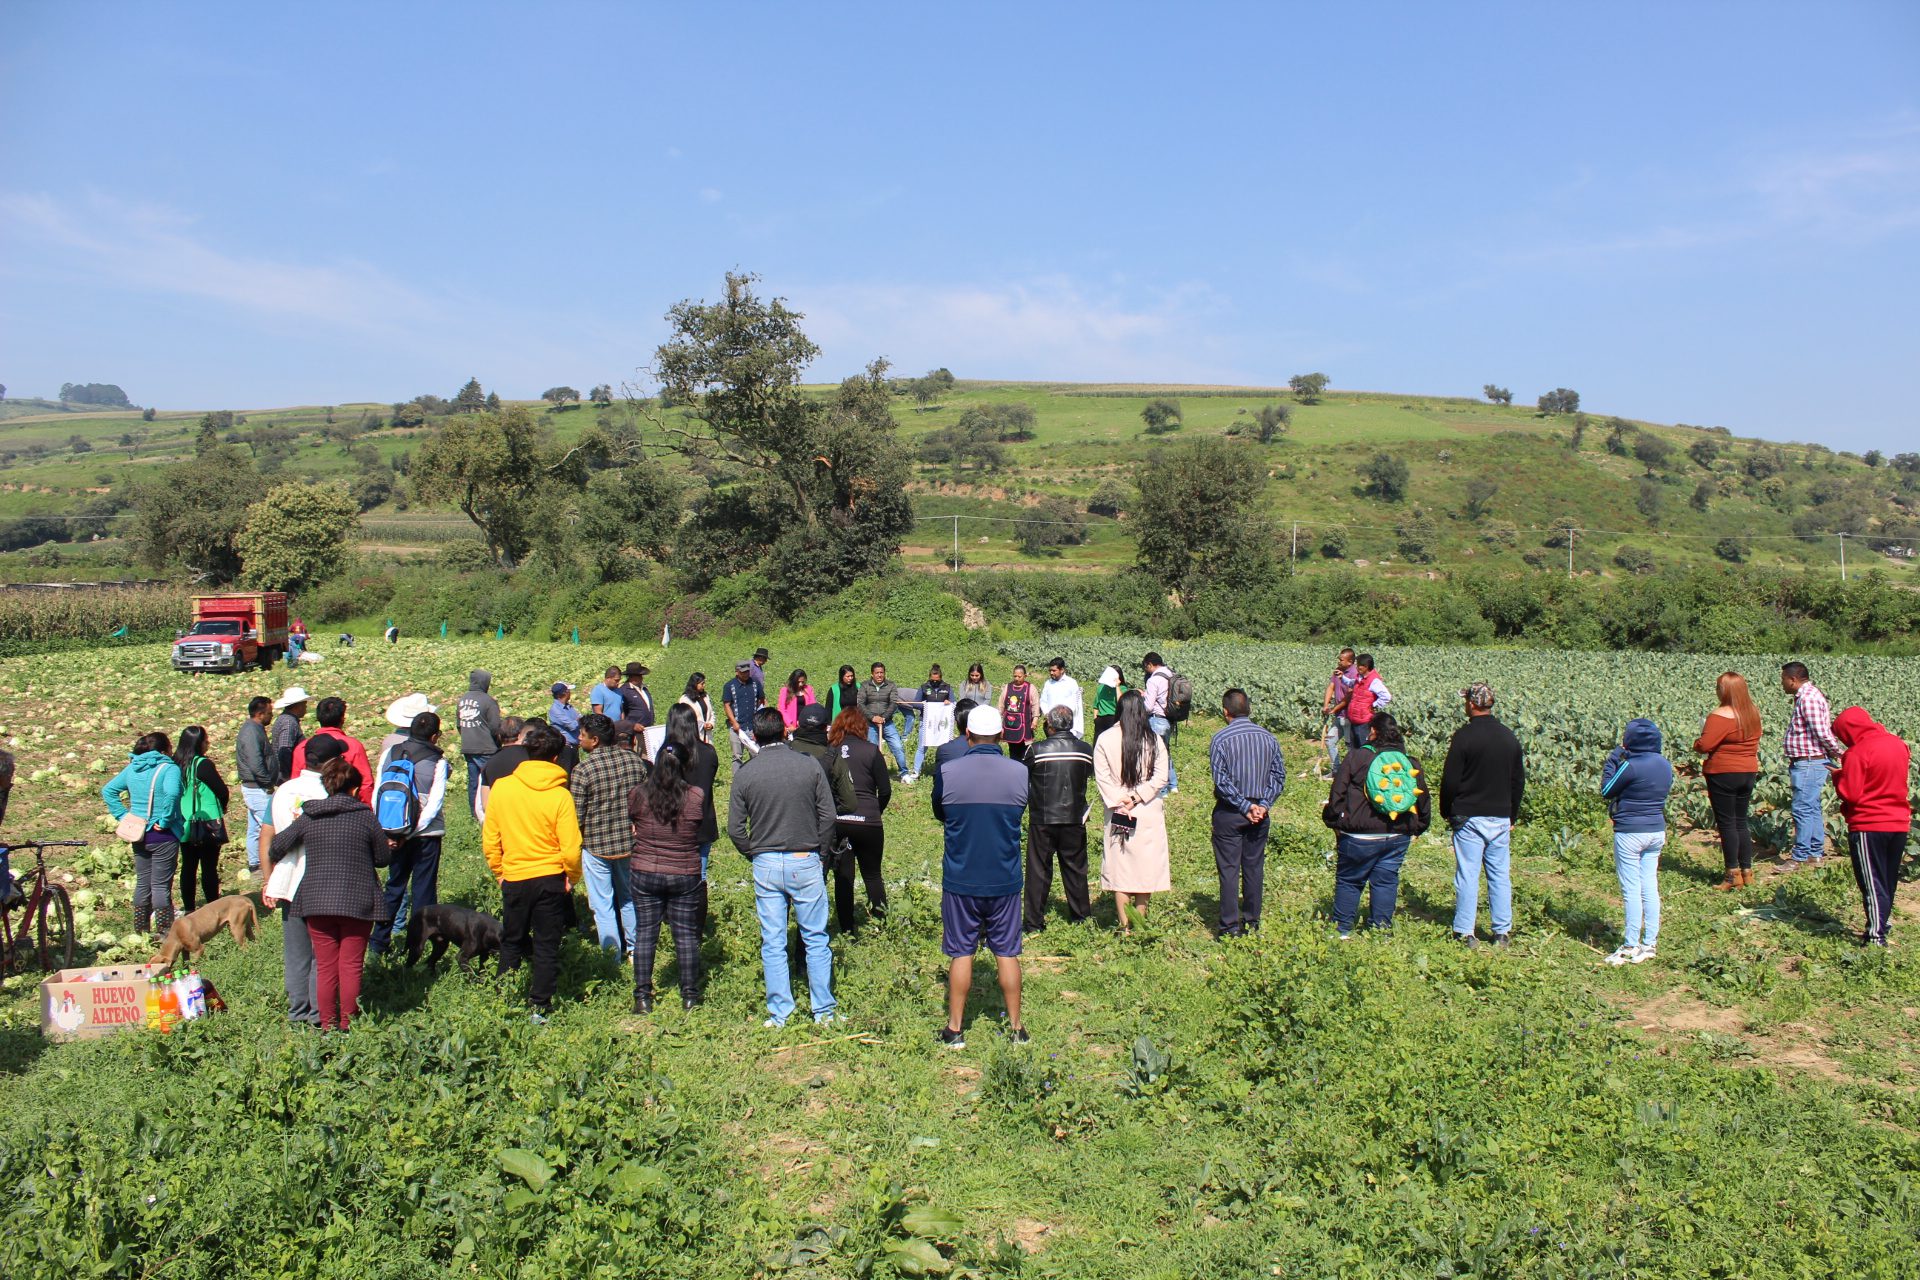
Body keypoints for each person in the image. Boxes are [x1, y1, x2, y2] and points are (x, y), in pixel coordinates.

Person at [728, 707, 838, 1027]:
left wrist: (754, 853)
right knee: (815, 937)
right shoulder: (809, 766)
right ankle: (824, 1011)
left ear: (756, 737)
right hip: (805, 857)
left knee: (773, 940)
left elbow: (735, 829)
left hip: (766, 861)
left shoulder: (746, 773)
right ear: (784, 733)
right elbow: (828, 817)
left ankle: (780, 1013)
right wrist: (819, 852)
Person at [932, 704, 1033, 1047]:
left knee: (961, 951)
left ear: (968, 734)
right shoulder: (1020, 772)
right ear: (1002, 735)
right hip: (1004, 877)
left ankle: (955, 1029)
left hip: (961, 877)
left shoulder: (948, 771)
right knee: (1007, 952)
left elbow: (940, 812)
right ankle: (1017, 1028)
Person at [270, 756, 389, 1031]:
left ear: (327, 787)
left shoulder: (311, 816)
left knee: (325, 966)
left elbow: (276, 847)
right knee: (350, 965)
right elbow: (383, 858)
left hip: (315, 900)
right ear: (355, 789)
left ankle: (327, 1024)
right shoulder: (364, 816)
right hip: (358, 900)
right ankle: (348, 1023)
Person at [482, 724, 583, 1023]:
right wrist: (571, 878)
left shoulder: (503, 787)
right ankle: (540, 1006)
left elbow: (491, 838)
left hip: (514, 875)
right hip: (551, 878)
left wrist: (499, 872)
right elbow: (571, 847)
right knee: (546, 944)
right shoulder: (559, 795)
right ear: (555, 759)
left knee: (512, 939)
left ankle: (503, 998)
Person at [258, 731, 343, 1026]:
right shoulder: (329, 792)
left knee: (296, 953)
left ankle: (298, 1012)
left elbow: (266, 834)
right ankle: (319, 1014)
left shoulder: (283, 790)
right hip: (324, 878)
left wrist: (269, 880)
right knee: (323, 952)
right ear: (331, 762)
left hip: (287, 878)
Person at [1322, 712, 1430, 937]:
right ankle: (1380, 931)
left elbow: (1337, 793)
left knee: (1350, 880)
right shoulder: (1409, 762)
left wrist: (1333, 820)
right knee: (1385, 881)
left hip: (1359, 834)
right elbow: (1422, 799)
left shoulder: (1357, 757)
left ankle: (1341, 930)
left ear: (1373, 731)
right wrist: (1418, 826)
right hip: (1397, 836)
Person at [1440, 682, 1526, 948]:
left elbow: (1451, 780)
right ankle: (1501, 931)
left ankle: (1465, 931)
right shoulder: (1508, 736)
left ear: (1473, 704)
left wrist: (1447, 810)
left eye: (1466, 700)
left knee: (1468, 873)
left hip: (1469, 815)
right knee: (1500, 874)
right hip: (1500, 816)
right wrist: (1511, 814)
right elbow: (1517, 780)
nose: (1464, 704)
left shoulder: (1464, 736)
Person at [627, 739, 709, 1012]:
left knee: (645, 934)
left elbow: (634, 823)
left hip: (646, 869)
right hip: (683, 870)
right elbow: (696, 826)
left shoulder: (638, 794)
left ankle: (642, 997)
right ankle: (689, 995)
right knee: (685, 935)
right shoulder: (695, 795)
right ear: (685, 766)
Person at [367, 711, 449, 957]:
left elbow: (377, 796)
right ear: (435, 736)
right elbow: (434, 804)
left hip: (393, 833)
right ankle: (417, 948)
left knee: (394, 886)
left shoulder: (389, 754)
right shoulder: (438, 761)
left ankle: (378, 945)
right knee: (424, 890)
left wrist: (389, 832)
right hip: (426, 835)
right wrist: (414, 830)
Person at [1207, 689, 1286, 938]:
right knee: (1254, 866)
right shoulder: (1269, 738)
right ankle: (1252, 921)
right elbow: (1278, 776)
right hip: (1260, 814)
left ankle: (1230, 926)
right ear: (1249, 709)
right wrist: (1262, 805)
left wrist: (1244, 806)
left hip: (1231, 812)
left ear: (1225, 711)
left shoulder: (1220, 739)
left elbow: (1222, 781)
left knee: (1229, 869)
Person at [1832, 707, 1912, 947]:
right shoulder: (1898, 744)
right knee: (1888, 879)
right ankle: (1883, 922)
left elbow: (1852, 794)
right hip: (1898, 821)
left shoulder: (1857, 752)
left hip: (1869, 823)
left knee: (1871, 880)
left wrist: (1838, 776)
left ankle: (1876, 936)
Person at [569, 712, 648, 955]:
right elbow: (645, 801)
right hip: (630, 842)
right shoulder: (634, 761)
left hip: (597, 846)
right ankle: (635, 950)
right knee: (629, 898)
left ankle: (611, 956)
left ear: (594, 741)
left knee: (602, 905)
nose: (579, 739)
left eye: (582, 736)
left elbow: (577, 815)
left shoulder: (583, 770)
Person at [1093, 690, 1169, 934]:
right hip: (1146, 809)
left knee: (1120, 864)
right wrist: (1137, 796)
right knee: (1145, 865)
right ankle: (1140, 920)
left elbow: (1102, 777)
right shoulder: (1154, 739)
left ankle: (1125, 926)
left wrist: (1120, 800)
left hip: (1119, 811)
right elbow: (1161, 777)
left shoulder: (1105, 738)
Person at [1600, 719, 1673, 965]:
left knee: (1631, 889)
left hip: (1630, 831)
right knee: (1649, 885)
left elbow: (1607, 789)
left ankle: (1630, 944)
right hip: (1656, 830)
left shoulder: (1630, 765)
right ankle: (1649, 943)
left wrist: (1613, 758)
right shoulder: (1665, 765)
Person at [102, 732, 184, 939]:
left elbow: (108, 790)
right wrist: (165, 820)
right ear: (165, 750)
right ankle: (165, 931)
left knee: (142, 882)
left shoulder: (133, 767)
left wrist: (124, 816)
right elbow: (173, 793)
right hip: (163, 835)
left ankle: (141, 929)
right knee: (160, 885)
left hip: (138, 834)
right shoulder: (169, 769)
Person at [1024, 705, 1094, 932]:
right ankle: (1081, 916)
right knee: (1075, 868)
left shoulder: (1036, 750)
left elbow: (1024, 777)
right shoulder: (1085, 750)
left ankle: (1034, 922)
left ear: (1050, 725)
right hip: (1074, 816)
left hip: (1043, 817)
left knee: (1039, 870)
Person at [1694, 672, 1763, 891]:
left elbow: (1705, 745)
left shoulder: (1720, 715)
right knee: (1741, 821)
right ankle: (1747, 871)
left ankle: (1731, 873)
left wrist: (1697, 743)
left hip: (1723, 772)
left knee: (1726, 823)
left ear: (1724, 691)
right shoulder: (1752, 713)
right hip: (1748, 771)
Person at [829, 707, 892, 931]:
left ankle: (847, 929)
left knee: (843, 878)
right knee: (873, 874)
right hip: (868, 820)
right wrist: (875, 810)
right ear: (861, 727)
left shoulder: (831, 750)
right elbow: (884, 790)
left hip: (840, 820)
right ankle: (882, 924)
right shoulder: (871, 750)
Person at [1780, 662, 1843, 865]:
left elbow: (1822, 732)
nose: (1782, 684)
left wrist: (1838, 753)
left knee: (1802, 809)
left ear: (1793, 679)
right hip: (1808, 762)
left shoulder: (1808, 699)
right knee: (1812, 807)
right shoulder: (1807, 697)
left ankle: (1800, 856)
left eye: (1783, 680)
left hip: (1809, 762)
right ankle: (1815, 853)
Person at [663, 703, 720, 901]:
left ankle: (674, 914)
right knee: (700, 875)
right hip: (703, 820)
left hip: (674, 822)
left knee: (674, 873)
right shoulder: (708, 752)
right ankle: (697, 919)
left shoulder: (666, 753)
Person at [172, 725, 231, 913]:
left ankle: (189, 908)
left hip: (183, 821)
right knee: (208, 866)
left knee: (188, 866)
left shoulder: (175, 763)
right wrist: (222, 806)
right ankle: (213, 907)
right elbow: (221, 790)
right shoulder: (202, 764)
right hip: (206, 822)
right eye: (206, 740)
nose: (209, 743)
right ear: (199, 744)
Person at [291, 696, 374, 806]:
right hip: (343, 809)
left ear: (319, 719)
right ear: (342, 719)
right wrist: (367, 810)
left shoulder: (303, 747)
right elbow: (365, 784)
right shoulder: (353, 746)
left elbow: (295, 781)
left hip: (307, 807)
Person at [235, 695, 277, 875]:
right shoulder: (252, 732)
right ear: (260, 714)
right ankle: (267, 866)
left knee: (254, 827)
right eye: (269, 713)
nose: (271, 716)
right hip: (257, 788)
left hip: (255, 787)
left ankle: (254, 863)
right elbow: (255, 762)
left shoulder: (255, 728)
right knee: (267, 827)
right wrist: (267, 783)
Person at [791, 703, 856, 815]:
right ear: (826, 728)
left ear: (798, 724)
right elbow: (850, 804)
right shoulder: (833, 758)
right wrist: (827, 811)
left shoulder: (783, 750)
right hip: (818, 826)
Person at [456, 669, 503, 821]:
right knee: (490, 782)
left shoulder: (462, 699)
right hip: (486, 747)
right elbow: (495, 726)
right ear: (485, 682)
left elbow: (459, 725)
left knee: (473, 781)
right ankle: (491, 815)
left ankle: (474, 815)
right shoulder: (488, 701)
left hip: (468, 746)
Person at [474, 716, 530, 824]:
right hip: (529, 821)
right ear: (521, 735)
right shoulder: (532, 758)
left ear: (499, 736)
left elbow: (484, 804)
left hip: (503, 822)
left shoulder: (489, 764)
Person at [1141, 652, 1180, 795]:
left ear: (1149, 665)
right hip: (1170, 719)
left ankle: (1162, 789)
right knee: (1166, 751)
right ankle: (1173, 784)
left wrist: (1142, 701)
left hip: (1157, 720)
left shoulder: (1153, 680)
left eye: (1146, 667)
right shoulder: (1171, 674)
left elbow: (1149, 707)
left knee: (1157, 755)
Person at [861, 662, 909, 779]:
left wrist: (884, 718)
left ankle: (904, 773)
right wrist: (873, 717)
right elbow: (860, 704)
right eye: (877, 673)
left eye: (881, 672)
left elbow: (893, 703)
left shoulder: (891, 685)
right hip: (871, 724)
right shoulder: (865, 686)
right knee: (872, 751)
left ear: (884, 673)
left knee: (898, 746)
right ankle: (874, 775)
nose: (879, 675)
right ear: (872, 674)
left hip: (887, 723)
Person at [909, 664, 954, 782]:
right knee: (922, 746)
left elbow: (954, 702)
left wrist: (949, 702)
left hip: (942, 723)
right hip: (927, 722)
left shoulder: (947, 687)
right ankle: (916, 771)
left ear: (940, 678)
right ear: (929, 678)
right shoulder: (924, 687)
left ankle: (944, 771)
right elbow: (915, 703)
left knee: (943, 747)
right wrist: (925, 705)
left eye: (937, 681)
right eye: (932, 680)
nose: (934, 682)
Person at [1340, 654, 1391, 750]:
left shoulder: (1374, 681)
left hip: (1364, 721)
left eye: (1359, 665)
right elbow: (1352, 683)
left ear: (1366, 666)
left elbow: (1386, 696)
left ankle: (1365, 765)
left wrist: (1374, 705)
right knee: (1354, 748)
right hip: (1354, 719)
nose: (1357, 667)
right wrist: (1342, 677)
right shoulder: (1360, 678)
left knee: (1364, 748)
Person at [1320, 647, 1358, 769]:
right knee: (1329, 741)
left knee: (1350, 746)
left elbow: (1349, 696)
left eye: (1341, 660)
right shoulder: (1338, 671)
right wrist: (1326, 705)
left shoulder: (1355, 674)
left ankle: (1351, 772)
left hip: (1349, 717)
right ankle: (1336, 770)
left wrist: (1335, 708)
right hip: (1339, 716)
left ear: (1350, 661)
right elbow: (1331, 687)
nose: (1339, 662)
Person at [722, 660, 762, 765]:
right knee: (737, 756)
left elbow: (760, 701)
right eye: (743, 672)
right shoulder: (729, 686)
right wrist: (734, 722)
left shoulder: (755, 683)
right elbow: (726, 705)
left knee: (756, 754)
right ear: (737, 672)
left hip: (752, 726)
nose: (746, 674)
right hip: (737, 727)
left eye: (747, 671)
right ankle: (737, 779)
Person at [999, 665, 1038, 763]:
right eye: (1015, 676)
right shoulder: (1008, 687)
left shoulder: (1030, 688)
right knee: (1013, 750)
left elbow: (1035, 704)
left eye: (1019, 676)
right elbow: (1001, 704)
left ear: (1025, 676)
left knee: (1025, 752)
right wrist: (998, 719)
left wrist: (1035, 719)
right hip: (1010, 726)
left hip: (1025, 724)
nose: (1016, 678)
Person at [271, 687, 309, 785]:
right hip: (285, 776)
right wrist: (287, 778)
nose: (306, 708)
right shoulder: (289, 722)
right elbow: (285, 751)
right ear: (298, 706)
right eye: (304, 704)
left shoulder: (285, 719)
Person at [1039, 657, 1085, 740]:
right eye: (1050, 671)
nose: (1051, 673)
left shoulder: (1071, 683)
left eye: (1054, 670)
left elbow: (1075, 703)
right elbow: (1043, 701)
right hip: (1051, 723)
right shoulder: (1048, 683)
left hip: (1066, 723)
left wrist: (1064, 715)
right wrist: (1047, 714)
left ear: (1062, 670)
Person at [549, 682, 581, 770]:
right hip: (565, 749)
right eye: (568, 690)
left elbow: (580, 719)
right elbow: (573, 725)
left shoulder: (568, 707)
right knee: (566, 775)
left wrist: (578, 720)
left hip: (574, 747)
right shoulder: (555, 710)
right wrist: (578, 720)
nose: (570, 692)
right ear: (563, 693)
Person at [678, 672, 716, 745]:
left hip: (707, 735)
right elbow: (685, 718)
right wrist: (702, 725)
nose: (704, 686)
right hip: (693, 735)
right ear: (695, 684)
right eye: (702, 684)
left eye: (704, 683)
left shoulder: (705, 696)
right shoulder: (685, 699)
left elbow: (711, 713)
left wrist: (711, 724)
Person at [777, 669, 817, 735]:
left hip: (805, 724)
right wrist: (789, 724)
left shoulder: (809, 689)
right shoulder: (785, 690)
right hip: (791, 725)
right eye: (798, 682)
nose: (800, 684)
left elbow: (813, 706)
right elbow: (781, 709)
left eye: (802, 682)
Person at [619, 662, 656, 729]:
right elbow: (622, 712)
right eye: (639, 675)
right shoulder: (624, 691)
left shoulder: (644, 689)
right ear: (632, 677)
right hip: (634, 730)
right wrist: (632, 725)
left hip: (648, 727)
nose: (641, 678)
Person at [1092, 666, 1125, 740]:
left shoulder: (1122, 688)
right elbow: (1096, 705)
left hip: (1114, 718)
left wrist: (1117, 686)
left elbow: (1121, 702)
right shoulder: (1101, 688)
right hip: (1101, 719)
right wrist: (1095, 719)